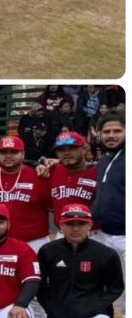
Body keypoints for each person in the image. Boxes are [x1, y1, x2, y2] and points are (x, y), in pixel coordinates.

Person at [38, 204, 123, 318]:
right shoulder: (47, 251)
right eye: (70, 224)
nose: (75, 229)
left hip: (96, 314)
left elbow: (116, 287)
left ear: (90, 225)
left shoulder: (106, 254)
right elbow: (40, 285)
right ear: (61, 225)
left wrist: (97, 307)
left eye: (81, 224)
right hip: (58, 314)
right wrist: (51, 308)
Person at [0, 136, 49, 250]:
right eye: (4, 152)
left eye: (14, 152)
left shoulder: (39, 175)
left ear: (23, 154)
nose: (8, 156)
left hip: (34, 242)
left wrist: (37, 164)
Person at [90, 114, 125, 312]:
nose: (111, 135)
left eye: (117, 131)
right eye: (106, 132)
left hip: (126, 236)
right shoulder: (104, 160)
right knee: (111, 291)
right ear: (99, 134)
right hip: (105, 235)